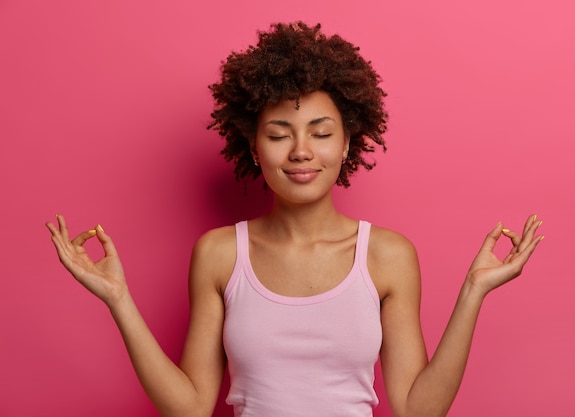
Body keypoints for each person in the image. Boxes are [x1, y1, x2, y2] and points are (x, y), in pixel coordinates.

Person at [45, 22, 543, 417]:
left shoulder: (388, 255)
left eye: (321, 133)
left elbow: (417, 409)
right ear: (254, 148)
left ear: (347, 143)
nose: (301, 151)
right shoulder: (219, 253)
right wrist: (118, 300)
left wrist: (473, 292)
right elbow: (192, 408)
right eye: (280, 133)